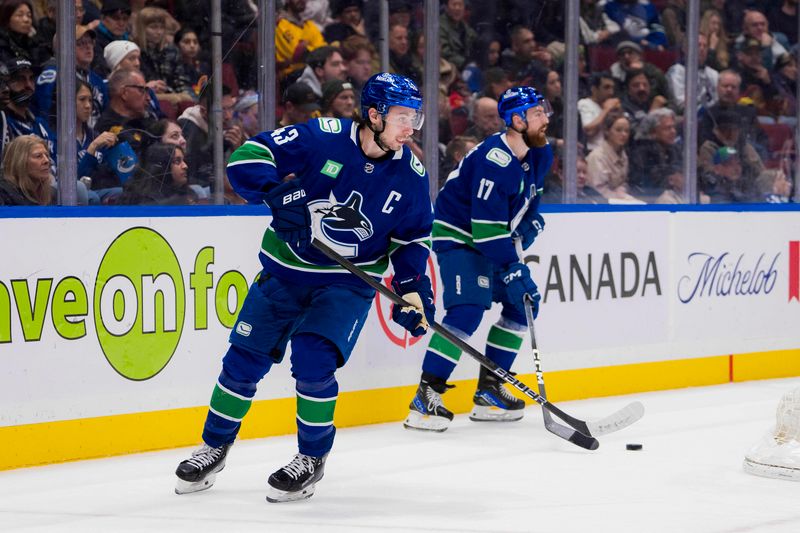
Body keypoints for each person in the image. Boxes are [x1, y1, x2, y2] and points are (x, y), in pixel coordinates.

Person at [173, 72, 435, 503]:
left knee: (314, 363)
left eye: (415, 118)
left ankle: (311, 458)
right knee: (242, 363)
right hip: (283, 274)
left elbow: (412, 237)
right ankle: (214, 446)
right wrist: (277, 193)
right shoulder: (322, 138)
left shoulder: (411, 174)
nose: (411, 128)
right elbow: (246, 157)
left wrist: (410, 289)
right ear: (374, 115)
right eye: (403, 117)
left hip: (345, 284)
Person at [403, 86, 552, 432]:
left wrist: (530, 224)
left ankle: (490, 391)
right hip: (458, 236)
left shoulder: (541, 153)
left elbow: (532, 200)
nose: (546, 118)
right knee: (467, 309)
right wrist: (513, 267)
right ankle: (427, 396)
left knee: (522, 304)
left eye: (545, 111)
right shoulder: (493, 161)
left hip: (491, 237)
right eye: (538, 113)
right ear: (517, 120)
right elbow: (485, 233)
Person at [117, 142, 195, 205]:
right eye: (177, 161)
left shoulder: (188, 195)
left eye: (183, 160)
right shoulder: (145, 200)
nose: (185, 166)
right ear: (163, 167)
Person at [586, 111, 639, 202]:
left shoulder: (623, 154)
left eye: (627, 131)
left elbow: (624, 182)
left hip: (620, 199)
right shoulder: (597, 157)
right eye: (618, 130)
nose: (624, 134)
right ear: (607, 131)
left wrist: (623, 190)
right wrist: (618, 196)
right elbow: (598, 191)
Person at [0, 134, 52, 206]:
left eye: (46, 155)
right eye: (38, 156)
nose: (47, 161)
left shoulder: (54, 194)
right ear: (19, 161)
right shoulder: (3, 194)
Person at [578, 72, 621, 152]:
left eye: (612, 88)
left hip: (610, 152)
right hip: (592, 151)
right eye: (606, 88)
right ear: (594, 89)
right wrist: (606, 110)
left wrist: (619, 112)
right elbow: (589, 131)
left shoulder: (611, 106)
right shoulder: (585, 104)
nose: (611, 92)